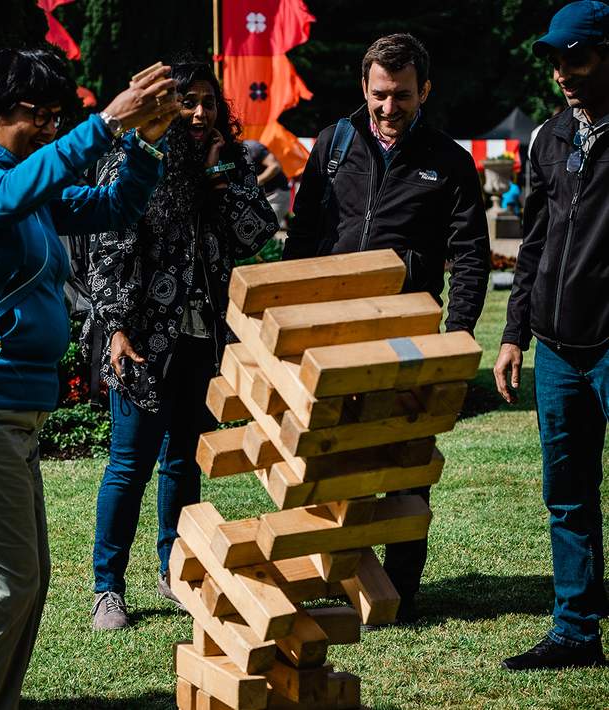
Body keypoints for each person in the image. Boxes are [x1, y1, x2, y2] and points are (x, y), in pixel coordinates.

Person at [0, 47, 179, 708]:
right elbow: (11, 195)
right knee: (2, 588)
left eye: (60, 116)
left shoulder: (28, 187)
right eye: (40, 115)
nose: (51, 129)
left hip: (7, 408)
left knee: (29, 581)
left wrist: (144, 144)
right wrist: (107, 121)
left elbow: (114, 207)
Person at [283, 33, 490, 621]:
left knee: (405, 464)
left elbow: (471, 255)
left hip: (410, 337)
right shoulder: (332, 145)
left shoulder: (449, 160)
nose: (389, 107)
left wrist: (461, 334)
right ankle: (338, 575)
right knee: (330, 461)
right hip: (333, 336)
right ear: (363, 88)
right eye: (379, 95)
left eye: (402, 95)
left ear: (425, 90)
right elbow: (302, 240)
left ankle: (399, 588)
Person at [83, 61, 278, 630]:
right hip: (143, 337)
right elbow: (107, 247)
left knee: (183, 460)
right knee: (129, 465)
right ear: (164, 106)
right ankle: (107, 589)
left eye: (209, 103)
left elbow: (256, 232)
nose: (199, 113)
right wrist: (114, 326)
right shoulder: (134, 158)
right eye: (187, 101)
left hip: (201, 337)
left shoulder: (222, 162)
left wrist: (222, 175)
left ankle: (176, 568)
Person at [494, 0, 609, 671]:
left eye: (579, 56)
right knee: (566, 494)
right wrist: (513, 337)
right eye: (557, 58)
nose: (564, 71)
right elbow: (532, 241)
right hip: (556, 348)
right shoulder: (547, 137)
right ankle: (575, 632)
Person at [243, 139, 291, 228]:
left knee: (264, 230)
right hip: (259, 197)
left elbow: (275, 166)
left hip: (276, 194)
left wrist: (256, 182)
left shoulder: (253, 147)